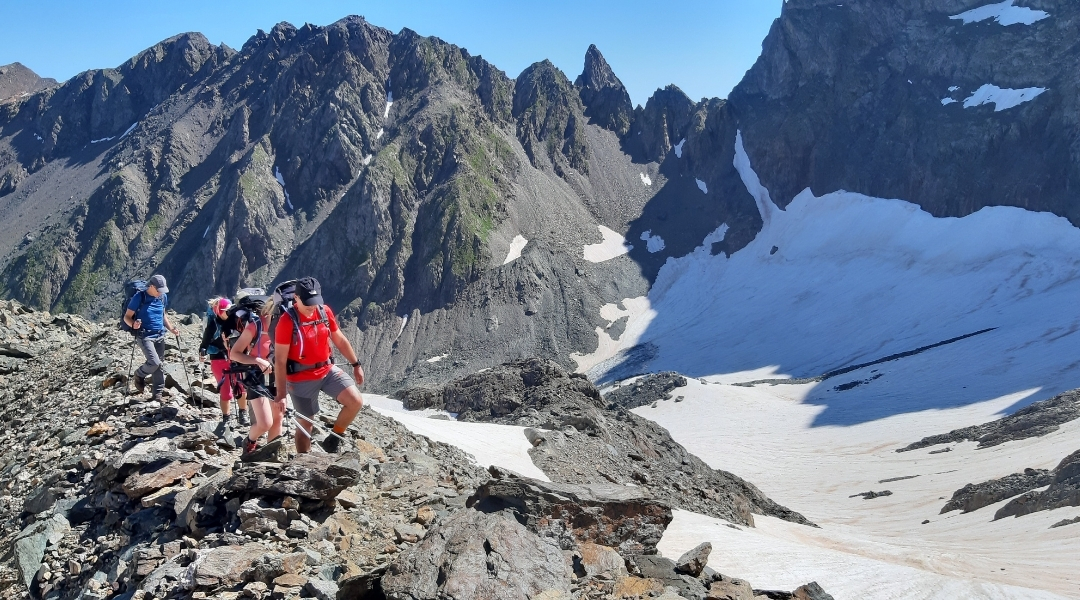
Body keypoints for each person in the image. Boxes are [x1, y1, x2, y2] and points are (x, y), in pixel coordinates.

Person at [273, 277, 365, 453]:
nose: (312, 307)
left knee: (355, 401)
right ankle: (304, 465)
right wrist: (281, 395)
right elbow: (280, 360)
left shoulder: (324, 311)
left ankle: (333, 439)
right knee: (305, 426)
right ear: (296, 298)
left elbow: (339, 339)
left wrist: (356, 364)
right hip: (300, 379)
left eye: (314, 302)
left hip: (327, 370)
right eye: (307, 303)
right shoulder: (286, 321)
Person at [229, 297, 283, 456]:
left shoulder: (283, 327)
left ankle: (271, 454)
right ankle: (250, 442)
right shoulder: (254, 327)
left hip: (275, 371)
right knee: (265, 422)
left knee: (278, 417)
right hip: (253, 373)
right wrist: (257, 360)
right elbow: (234, 354)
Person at [123, 274, 178, 402]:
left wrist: (171, 329)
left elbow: (163, 315)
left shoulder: (162, 297)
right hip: (144, 335)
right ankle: (139, 374)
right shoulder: (139, 297)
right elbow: (127, 316)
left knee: (159, 365)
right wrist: (133, 324)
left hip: (160, 334)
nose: (160, 293)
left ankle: (157, 395)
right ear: (152, 286)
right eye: (158, 290)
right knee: (154, 362)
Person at [198, 297, 250, 427]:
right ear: (218, 311)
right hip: (219, 358)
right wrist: (203, 353)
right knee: (225, 390)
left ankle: (243, 413)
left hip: (235, 358)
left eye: (229, 310)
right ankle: (227, 418)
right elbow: (204, 345)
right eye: (225, 311)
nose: (228, 313)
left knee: (240, 386)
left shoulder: (236, 321)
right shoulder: (213, 325)